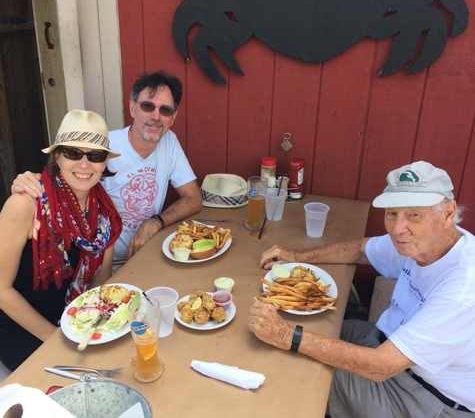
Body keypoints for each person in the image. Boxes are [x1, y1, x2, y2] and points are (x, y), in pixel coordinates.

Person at [249, 161, 475, 416]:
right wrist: (297, 256)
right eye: (392, 213)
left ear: (447, 213)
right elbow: (360, 250)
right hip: (383, 343)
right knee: (297, 330)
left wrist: (287, 336)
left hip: (421, 397)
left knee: (293, 369)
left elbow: (382, 366)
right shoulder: (425, 241)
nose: (398, 228)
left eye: (414, 214)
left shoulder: (463, 288)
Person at [11, 71, 202, 266]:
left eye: (165, 110)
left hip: (144, 255)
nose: (155, 116)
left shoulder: (168, 142)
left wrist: (156, 222)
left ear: (174, 116)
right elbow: (60, 183)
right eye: (147, 106)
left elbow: (194, 198)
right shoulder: (100, 146)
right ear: (132, 108)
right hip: (97, 262)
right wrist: (31, 183)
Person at [0, 110, 122, 371]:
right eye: (73, 153)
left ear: (105, 162)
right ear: (57, 156)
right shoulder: (25, 203)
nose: (84, 164)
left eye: (96, 155)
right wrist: (54, 338)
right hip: (22, 323)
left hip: (73, 316)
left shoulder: (104, 211)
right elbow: (1, 289)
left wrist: (97, 323)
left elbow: (100, 281)